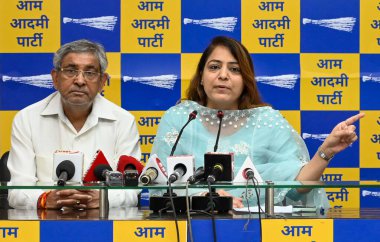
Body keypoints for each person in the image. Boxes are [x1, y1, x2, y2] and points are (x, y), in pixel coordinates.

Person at [151, 36, 364, 209]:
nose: (223, 75)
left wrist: (325, 152)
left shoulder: (266, 121)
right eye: (214, 67)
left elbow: (296, 186)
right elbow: (158, 184)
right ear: (202, 76)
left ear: (246, 80)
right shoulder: (180, 118)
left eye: (234, 70)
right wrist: (202, 197)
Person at [7, 39, 141, 209]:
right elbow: (17, 191)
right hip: (45, 226)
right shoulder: (27, 119)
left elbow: (131, 191)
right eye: (71, 71)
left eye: (90, 73)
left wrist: (102, 199)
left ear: (103, 82)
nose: (79, 80)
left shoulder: (123, 121)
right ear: (55, 78)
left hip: (105, 226)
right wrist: (45, 199)